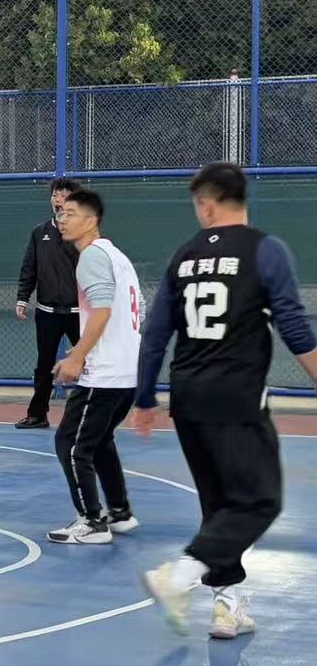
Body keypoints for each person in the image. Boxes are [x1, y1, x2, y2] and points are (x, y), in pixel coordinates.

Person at [133, 163, 317, 638]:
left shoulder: (183, 256)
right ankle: (179, 577)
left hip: (188, 398)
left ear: (207, 204)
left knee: (220, 507)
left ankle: (225, 605)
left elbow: (155, 334)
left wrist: (145, 396)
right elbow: (294, 328)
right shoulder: (265, 250)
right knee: (259, 502)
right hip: (236, 399)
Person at [44, 189, 142, 545]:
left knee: (70, 444)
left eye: (70, 213)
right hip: (126, 372)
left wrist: (78, 356)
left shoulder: (91, 257)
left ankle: (92, 522)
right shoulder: (119, 258)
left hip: (105, 374)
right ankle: (120, 513)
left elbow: (102, 311)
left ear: (91, 220)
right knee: (99, 441)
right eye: (60, 213)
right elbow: (137, 311)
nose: (62, 219)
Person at [15, 177, 83, 429]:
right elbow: (29, 268)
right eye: (55, 195)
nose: (58, 199)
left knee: (92, 363)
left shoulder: (83, 232)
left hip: (78, 312)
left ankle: (94, 414)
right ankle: (37, 414)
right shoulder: (39, 232)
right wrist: (23, 297)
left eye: (64, 195)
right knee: (44, 365)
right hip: (47, 313)